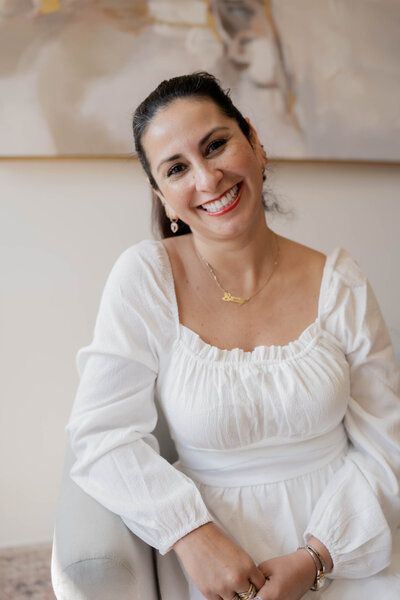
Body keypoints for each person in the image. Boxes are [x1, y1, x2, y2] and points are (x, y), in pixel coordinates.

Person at [66, 71, 400, 600]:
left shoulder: (341, 282)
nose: (208, 178)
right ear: (164, 197)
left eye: (216, 144)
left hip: (348, 547)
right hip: (217, 567)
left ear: (254, 141)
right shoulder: (145, 279)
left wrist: (316, 556)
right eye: (177, 168)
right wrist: (191, 535)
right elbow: (100, 437)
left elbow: (388, 444)